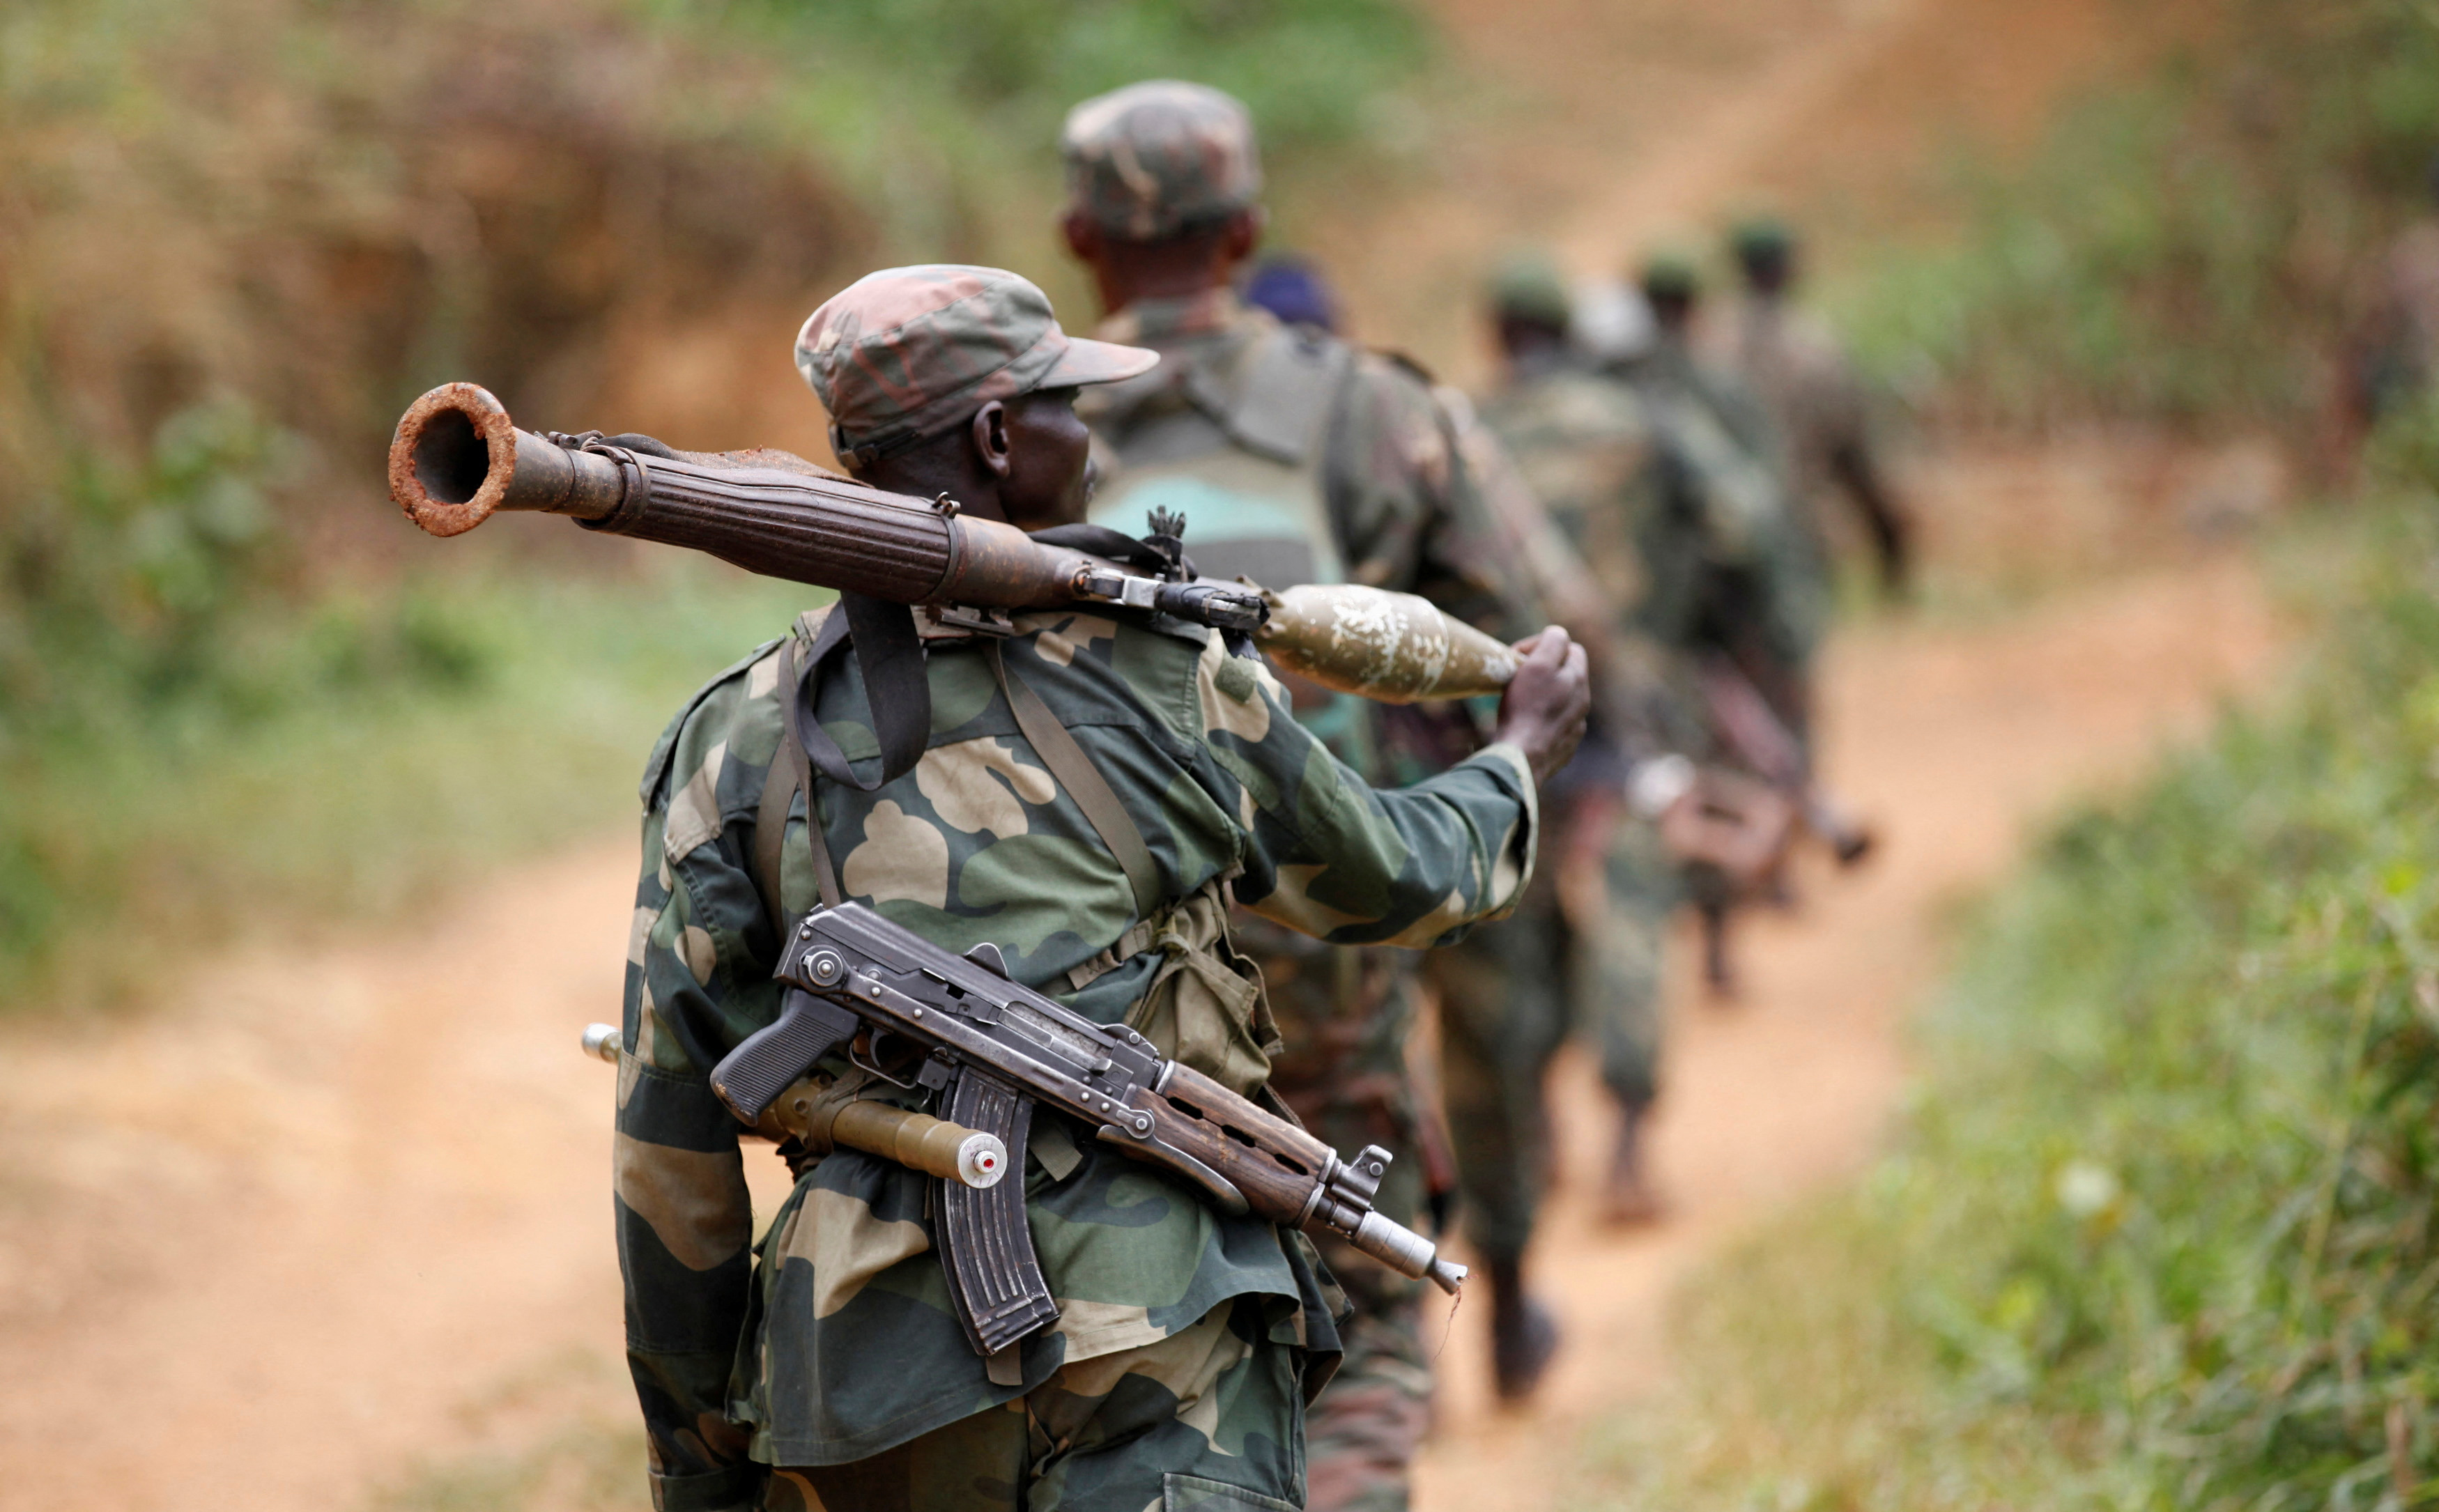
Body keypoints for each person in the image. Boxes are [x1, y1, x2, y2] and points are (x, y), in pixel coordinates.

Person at [613, 262, 1592, 1512]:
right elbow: (1400, 879)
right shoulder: (1161, 679)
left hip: (860, 1389)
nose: (1092, 440)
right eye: (1070, 408)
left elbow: (666, 1156)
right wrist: (1516, 759)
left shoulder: (729, 743)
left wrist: (701, 1477)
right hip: (1156, 1349)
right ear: (998, 436)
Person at [1057, 82, 1546, 1509]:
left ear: (1081, 239)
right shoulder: (1379, 409)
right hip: (1333, 924)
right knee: (1366, 1296)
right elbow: (1521, 624)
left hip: (1087, 958)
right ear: (1251, 227)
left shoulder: (1016, 415)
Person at [1424, 252, 1690, 1403]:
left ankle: (1528, 1136)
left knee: (1505, 970)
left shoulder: (1454, 431)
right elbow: (1687, 552)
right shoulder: (1635, 424)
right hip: (1603, 702)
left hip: (1483, 723)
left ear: (1494, 327)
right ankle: (1626, 1134)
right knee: (1630, 914)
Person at [1720, 217, 1913, 601]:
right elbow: (1857, 461)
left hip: (1719, 542)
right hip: (1797, 539)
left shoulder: (1705, 341)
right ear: (1788, 267)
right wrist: (1891, 544)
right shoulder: (1818, 353)